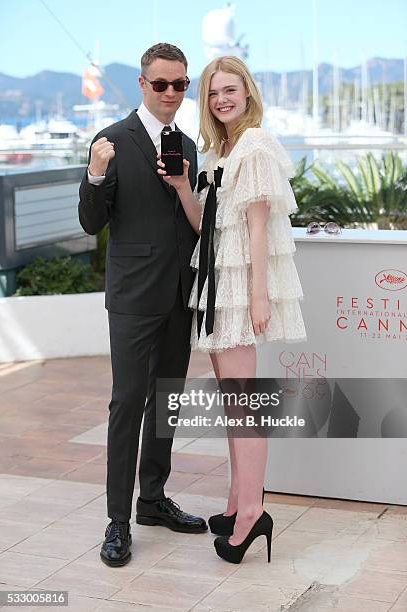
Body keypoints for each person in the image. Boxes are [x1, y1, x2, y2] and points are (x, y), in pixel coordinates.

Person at [158, 55, 307, 564]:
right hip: (220, 287)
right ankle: (237, 502)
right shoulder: (222, 150)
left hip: (241, 291)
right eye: (214, 93)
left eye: (230, 90)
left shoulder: (256, 145)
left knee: (245, 408)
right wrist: (182, 188)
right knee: (233, 406)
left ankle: (252, 514)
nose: (222, 99)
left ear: (247, 92)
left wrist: (259, 295)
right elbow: (212, 231)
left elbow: (259, 228)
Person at [78, 43, 207, 568]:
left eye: (181, 84)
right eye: (161, 84)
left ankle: (152, 501)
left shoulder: (189, 145)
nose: (172, 94)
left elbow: (189, 220)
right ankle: (117, 521)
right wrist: (93, 173)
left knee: (166, 403)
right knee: (127, 404)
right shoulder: (110, 140)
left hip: (179, 296)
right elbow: (91, 223)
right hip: (133, 298)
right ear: (141, 83)